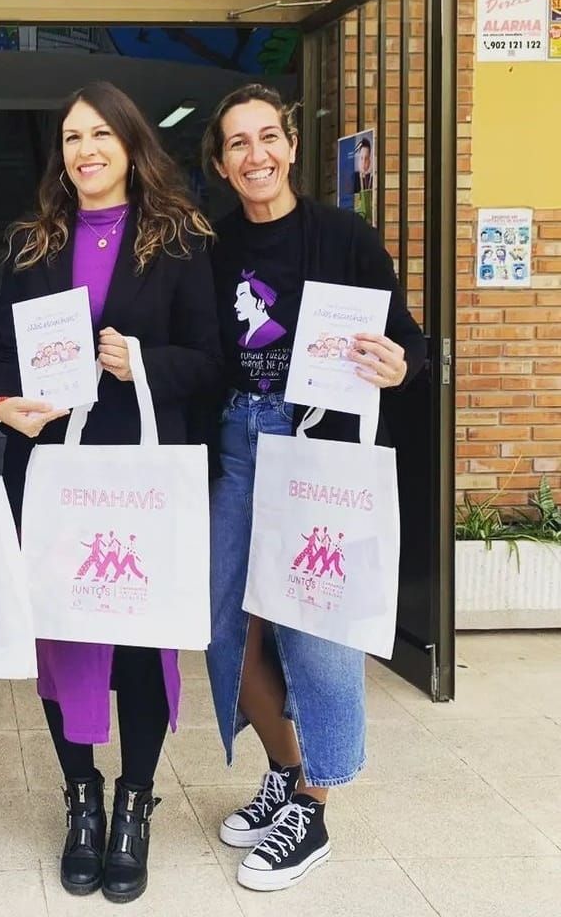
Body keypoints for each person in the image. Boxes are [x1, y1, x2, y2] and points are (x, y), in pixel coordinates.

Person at [0, 80, 223, 904]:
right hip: (53, 469)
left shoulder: (179, 238)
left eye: (100, 135)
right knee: (65, 637)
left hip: (139, 474)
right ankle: (81, 799)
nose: (85, 150)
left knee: (139, 639)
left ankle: (134, 804)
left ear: (130, 144)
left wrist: (144, 361)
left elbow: (212, 361)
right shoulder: (31, 244)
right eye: (71, 137)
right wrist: (0, 404)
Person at [201, 82, 426, 892]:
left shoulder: (344, 237)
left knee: (314, 626)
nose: (255, 154)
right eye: (238, 143)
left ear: (292, 147)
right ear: (221, 164)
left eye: (268, 137)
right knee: (225, 629)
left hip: (320, 449)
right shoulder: (213, 248)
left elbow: (407, 342)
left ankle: (314, 804)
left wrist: (400, 365)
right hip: (238, 440)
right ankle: (286, 768)